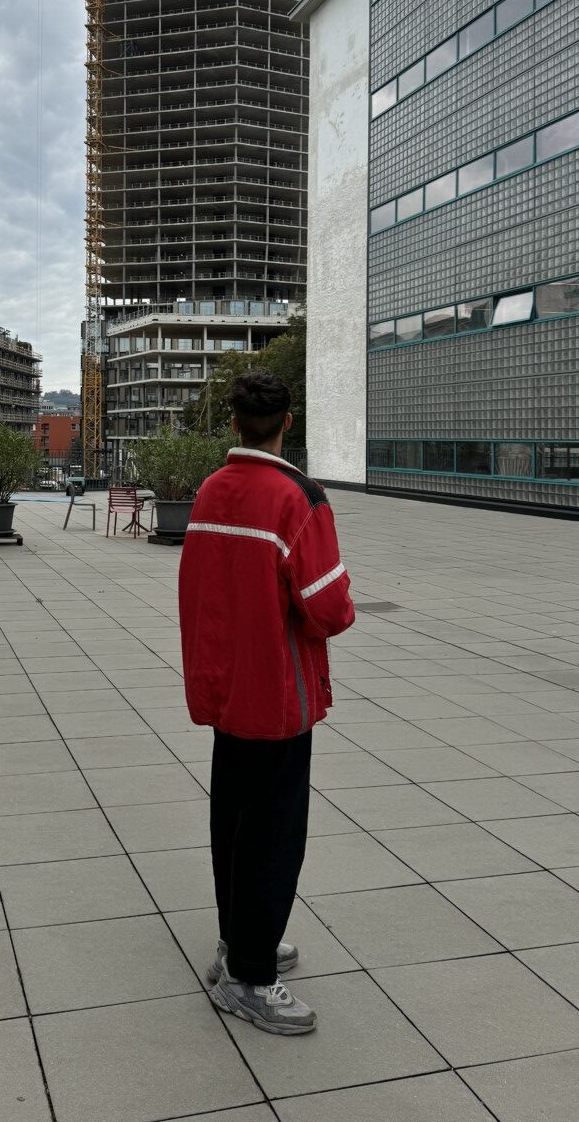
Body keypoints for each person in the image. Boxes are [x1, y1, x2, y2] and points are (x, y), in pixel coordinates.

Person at [178, 369, 355, 1035]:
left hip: (225, 689)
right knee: (276, 834)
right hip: (277, 694)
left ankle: (237, 941)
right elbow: (329, 609)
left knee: (233, 821)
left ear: (233, 424)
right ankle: (251, 976)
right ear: (288, 423)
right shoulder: (297, 499)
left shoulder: (211, 491)